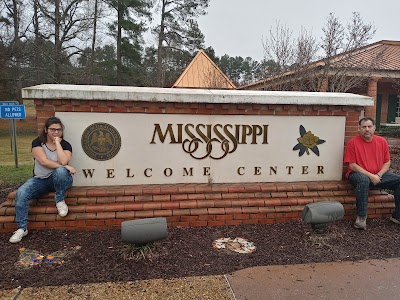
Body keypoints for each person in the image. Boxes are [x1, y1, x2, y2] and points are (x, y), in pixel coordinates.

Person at [9, 116, 76, 243]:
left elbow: (63, 160)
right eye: (53, 129)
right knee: (21, 193)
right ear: (46, 129)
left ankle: (60, 199)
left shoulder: (66, 145)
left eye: (59, 129)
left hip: (60, 180)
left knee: (61, 171)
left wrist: (57, 143)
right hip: (40, 180)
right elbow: (44, 161)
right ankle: (22, 228)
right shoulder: (37, 142)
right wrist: (65, 166)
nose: (56, 132)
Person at [344, 116, 400, 230]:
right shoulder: (353, 143)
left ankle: (397, 216)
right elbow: (352, 165)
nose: (367, 129)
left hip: (378, 174)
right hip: (357, 174)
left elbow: (387, 162)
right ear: (359, 129)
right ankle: (361, 217)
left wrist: (378, 175)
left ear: (374, 127)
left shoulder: (382, 141)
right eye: (364, 127)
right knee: (364, 180)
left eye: (369, 126)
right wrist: (371, 176)